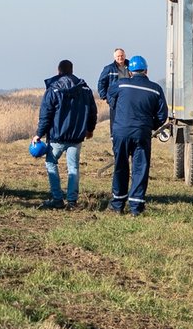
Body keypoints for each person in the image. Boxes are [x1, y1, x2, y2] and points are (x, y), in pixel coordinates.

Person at [106, 54, 168, 215]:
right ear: (146, 70)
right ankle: (136, 207)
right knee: (140, 168)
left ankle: (117, 204)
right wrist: (149, 126)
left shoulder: (120, 85)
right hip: (142, 133)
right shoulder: (155, 89)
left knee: (120, 166)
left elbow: (109, 98)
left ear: (130, 71)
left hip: (121, 132)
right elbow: (162, 115)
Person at [35, 59, 97, 209]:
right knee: (73, 167)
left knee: (51, 163)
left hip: (57, 136)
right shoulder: (85, 89)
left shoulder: (53, 89)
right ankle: (72, 201)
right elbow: (93, 111)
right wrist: (90, 129)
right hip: (76, 136)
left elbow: (46, 115)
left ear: (58, 71)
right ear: (72, 70)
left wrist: (39, 134)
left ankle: (57, 198)